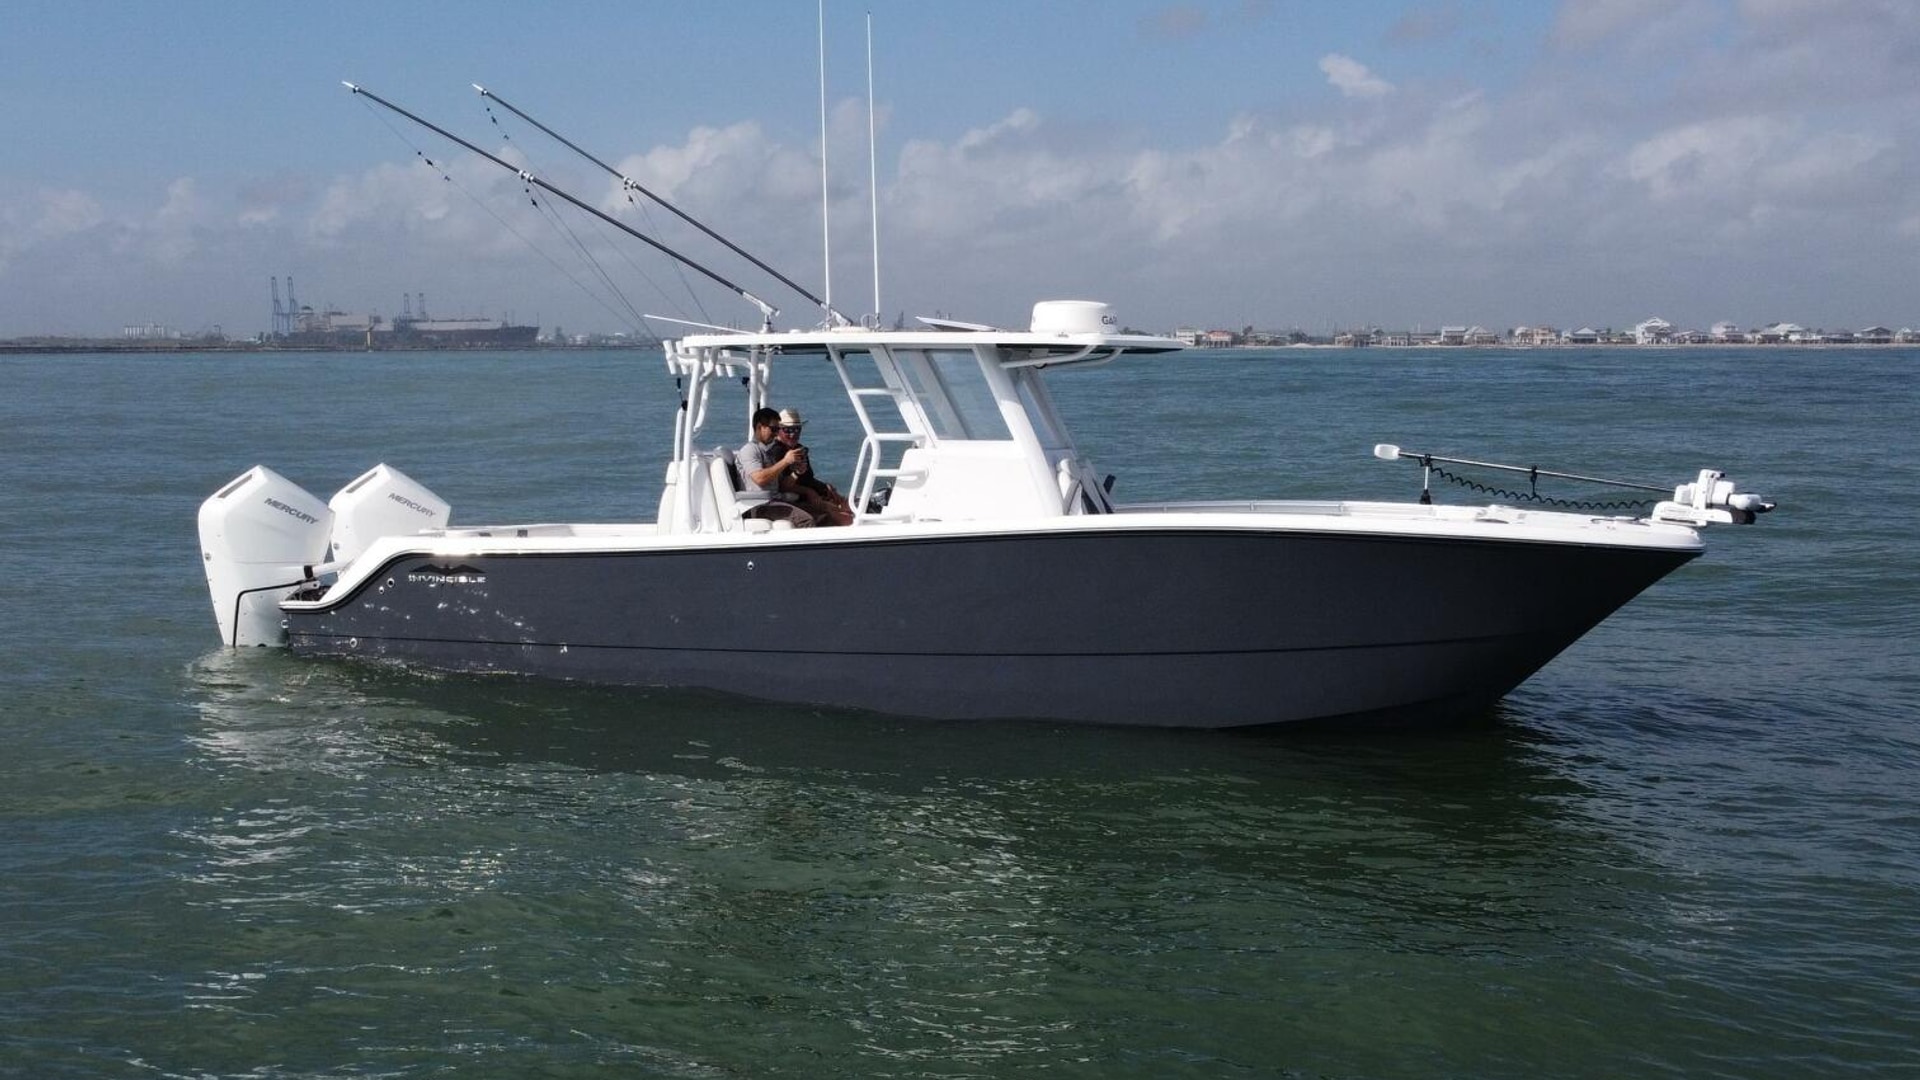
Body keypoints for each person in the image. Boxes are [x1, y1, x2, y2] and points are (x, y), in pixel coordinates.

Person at [773, 407, 855, 526]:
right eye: (787, 430)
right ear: (778, 431)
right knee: (843, 517)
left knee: (847, 503)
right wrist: (809, 491)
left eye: (797, 429)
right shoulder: (777, 452)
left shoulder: (799, 450)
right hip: (799, 498)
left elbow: (808, 478)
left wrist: (825, 487)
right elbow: (781, 486)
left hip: (812, 492)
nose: (793, 434)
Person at [733, 407, 814, 527]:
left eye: (778, 429)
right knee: (806, 520)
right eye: (774, 429)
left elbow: (783, 486)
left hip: (775, 501)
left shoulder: (768, 453)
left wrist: (796, 472)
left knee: (820, 513)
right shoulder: (750, 450)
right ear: (760, 427)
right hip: (759, 505)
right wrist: (785, 461)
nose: (776, 433)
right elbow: (760, 479)